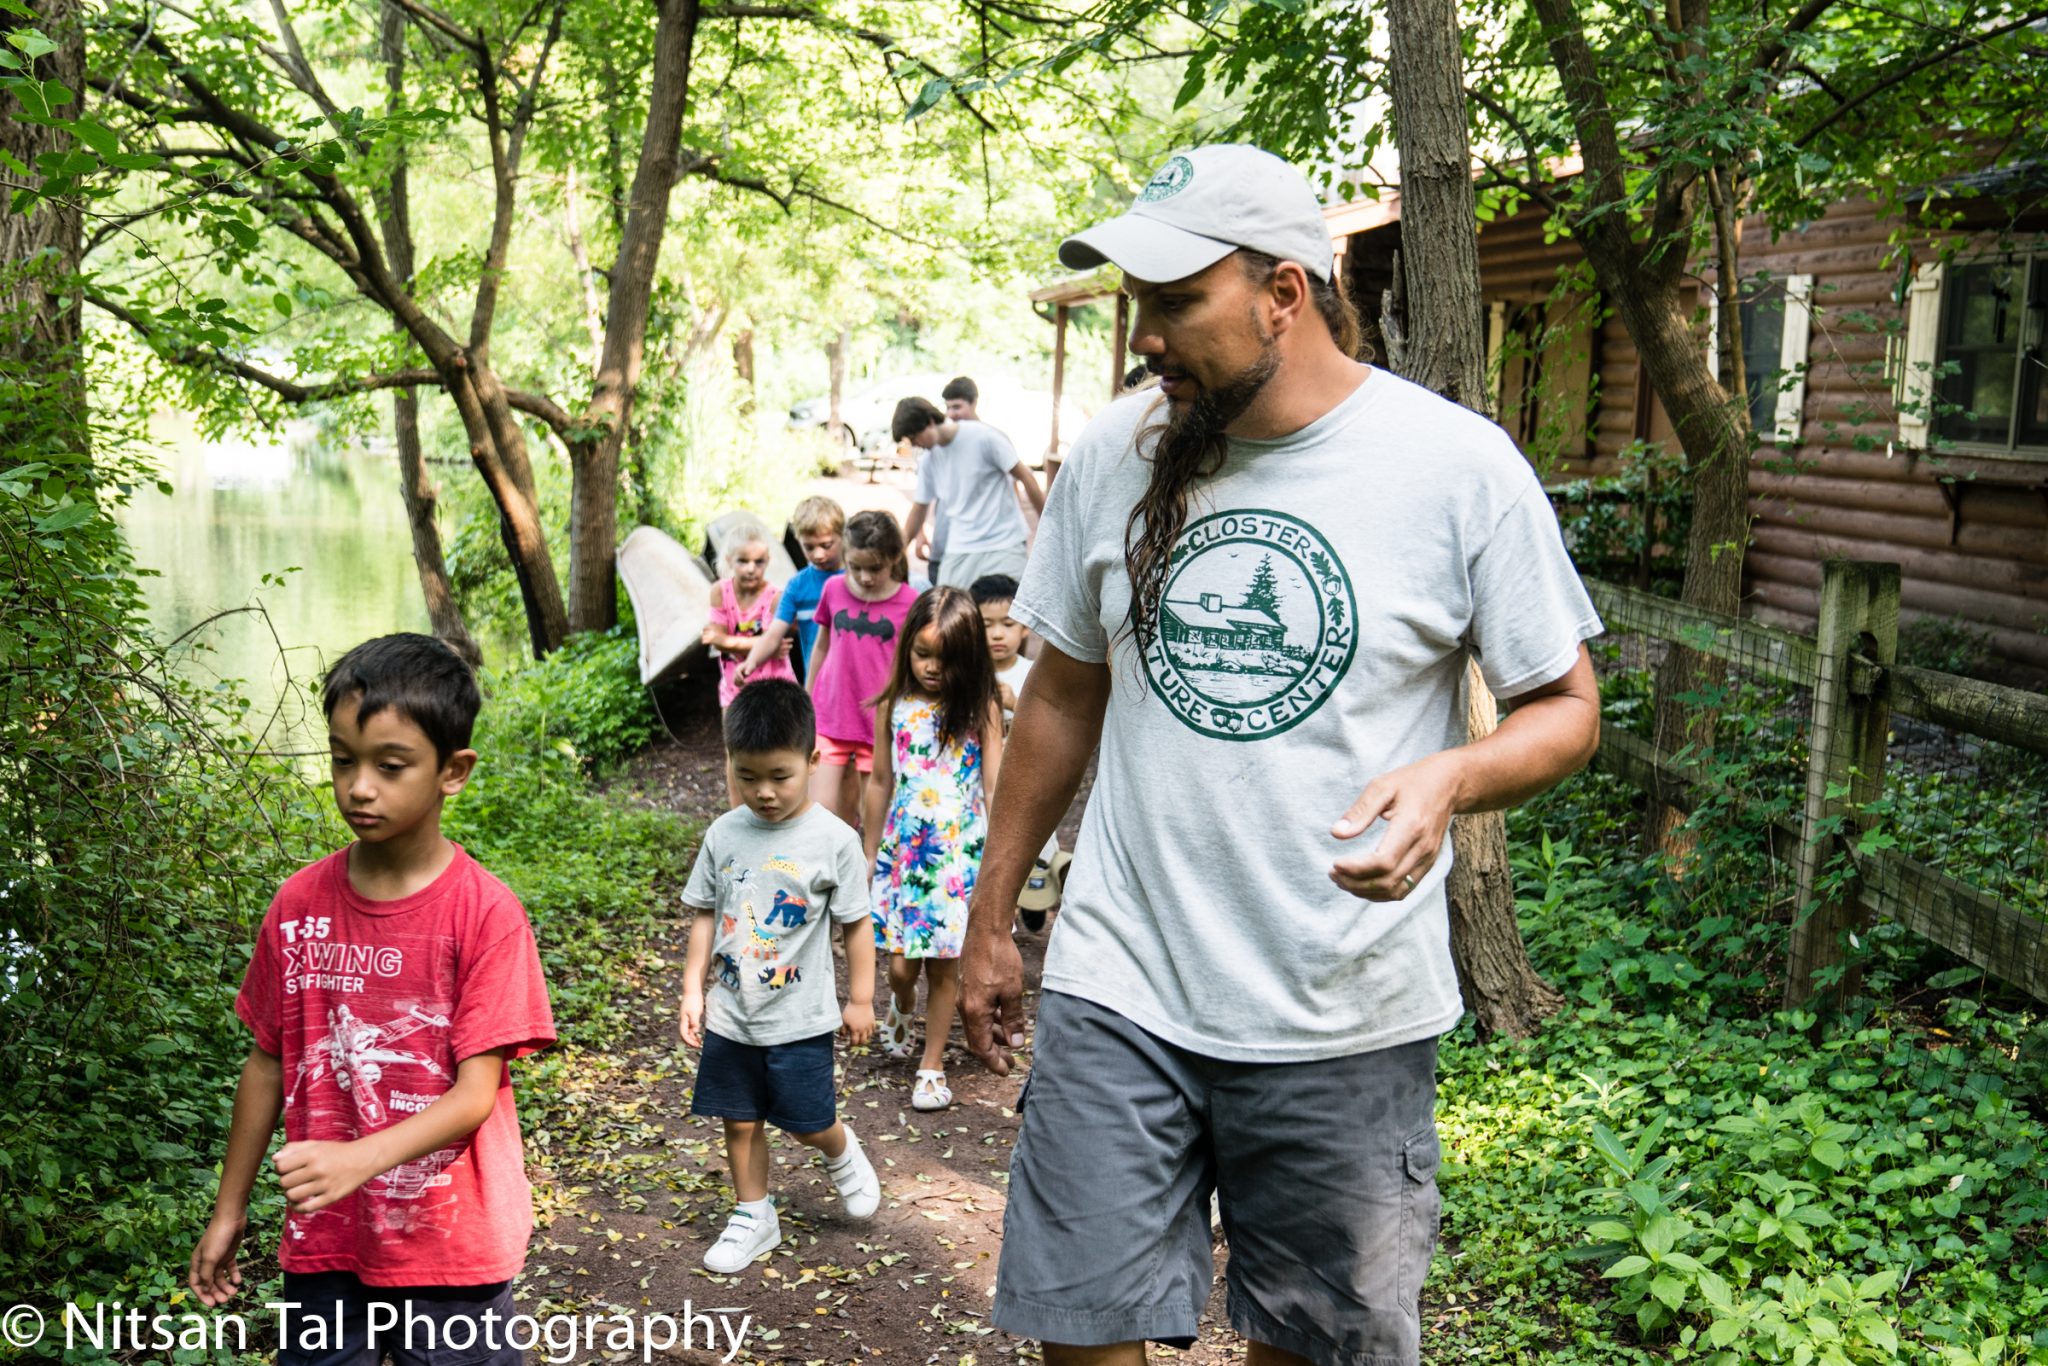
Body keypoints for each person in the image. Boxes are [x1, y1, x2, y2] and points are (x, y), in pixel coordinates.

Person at [960, 143, 1604, 1366]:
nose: (1144, 337)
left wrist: (1453, 775)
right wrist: (993, 915)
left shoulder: (1453, 467)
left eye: (1172, 301)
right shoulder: (1117, 452)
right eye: (1134, 304)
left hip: (1339, 1006)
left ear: (1283, 290)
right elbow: (1060, 695)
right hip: (1122, 978)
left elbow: (1565, 708)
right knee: (1076, 1329)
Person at [189, 634, 557, 1366]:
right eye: (342, 759)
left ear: (453, 771)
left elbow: (476, 1092)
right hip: (328, 1238)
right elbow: (267, 1063)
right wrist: (229, 1210)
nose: (360, 787)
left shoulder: (485, 915)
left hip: (452, 1245)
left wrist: (360, 1159)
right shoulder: (298, 904)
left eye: (391, 767)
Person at [678, 679, 882, 1271]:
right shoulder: (724, 834)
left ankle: (841, 1153)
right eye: (748, 776)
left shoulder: (834, 840)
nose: (763, 793)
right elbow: (704, 915)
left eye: (780, 776)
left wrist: (861, 999)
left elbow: (856, 926)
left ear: (814, 761)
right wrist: (693, 989)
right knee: (738, 1120)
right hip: (732, 1012)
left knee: (808, 1121)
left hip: (799, 1017)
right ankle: (753, 1214)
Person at [862, 587, 1005, 1113]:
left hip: (956, 860)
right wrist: (868, 851)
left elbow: (995, 786)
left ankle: (932, 1064)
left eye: (944, 659)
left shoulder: (980, 710)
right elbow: (879, 781)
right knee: (902, 969)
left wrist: (1000, 865)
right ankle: (901, 1005)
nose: (931, 668)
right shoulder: (895, 706)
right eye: (922, 654)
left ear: (967, 659)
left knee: (944, 967)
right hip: (905, 856)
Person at [754, 509, 917, 825]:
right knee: (821, 811)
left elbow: (911, 661)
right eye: (856, 567)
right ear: (846, 556)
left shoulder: (909, 602)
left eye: (875, 568)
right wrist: (808, 695)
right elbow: (821, 646)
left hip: (879, 718)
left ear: (895, 557)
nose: (866, 577)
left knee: (875, 816)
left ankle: (868, 866)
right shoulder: (834, 589)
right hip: (832, 711)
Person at [970, 573, 1065, 934]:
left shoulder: (1032, 675)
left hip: (1025, 775)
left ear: (1024, 628)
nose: (997, 634)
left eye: (1007, 624)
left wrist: (1016, 704)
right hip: (982, 779)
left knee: (1036, 839)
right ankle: (998, 911)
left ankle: (1036, 895)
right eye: (986, 625)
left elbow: (1050, 723)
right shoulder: (971, 676)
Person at [894, 395, 1046, 590]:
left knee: (1006, 613)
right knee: (949, 611)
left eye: (915, 438)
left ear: (929, 422)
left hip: (1004, 543)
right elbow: (919, 507)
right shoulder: (928, 461)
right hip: (960, 546)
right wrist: (898, 554)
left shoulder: (984, 437)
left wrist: (1046, 521)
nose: (915, 445)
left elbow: (1026, 477)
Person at [742, 496, 845, 684]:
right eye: (809, 547)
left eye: (826, 545)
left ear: (843, 536)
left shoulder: (857, 579)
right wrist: (751, 661)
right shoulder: (797, 586)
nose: (818, 554)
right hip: (819, 683)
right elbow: (773, 634)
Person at [703, 517, 797, 710]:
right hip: (733, 690)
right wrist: (765, 645)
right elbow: (769, 644)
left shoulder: (774, 597)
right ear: (730, 560)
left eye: (759, 562)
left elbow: (769, 643)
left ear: (768, 561)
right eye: (743, 561)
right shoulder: (720, 592)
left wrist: (724, 641)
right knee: (734, 740)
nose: (751, 569)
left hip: (774, 689)